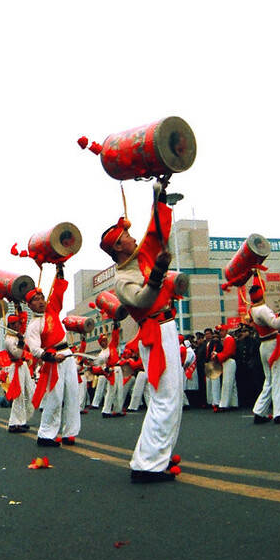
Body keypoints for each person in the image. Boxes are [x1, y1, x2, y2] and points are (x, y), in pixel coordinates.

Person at [102, 181, 181, 482]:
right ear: (118, 246)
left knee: (170, 397)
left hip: (165, 328)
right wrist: (159, 274)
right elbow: (143, 300)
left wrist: (159, 194)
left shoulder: (141, 258)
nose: (134, 238)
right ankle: (148, 464)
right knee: (164, 398)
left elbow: (154, 231)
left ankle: (157, 456)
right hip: (155, 332)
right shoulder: (123, 278)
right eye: (127, 236)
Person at [24, 262, 78, 447]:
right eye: (36, 299)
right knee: (55, 398)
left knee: (73, 394)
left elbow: (58, 292)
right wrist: (52, 357)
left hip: (68, 355)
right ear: (29, 305)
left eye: (42, 297)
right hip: (53, 360)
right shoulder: (33, 326)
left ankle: (70, 432)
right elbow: (35, 350)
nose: (41, 301)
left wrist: (59, 270)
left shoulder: (53, 310)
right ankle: (46, 434)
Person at [247, 275, 280, 425]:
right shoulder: (262, 309)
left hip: (264, 345)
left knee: (270, 380)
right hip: (273, 344)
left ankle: (260, 411)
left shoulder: (253, 310)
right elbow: (276, 324)